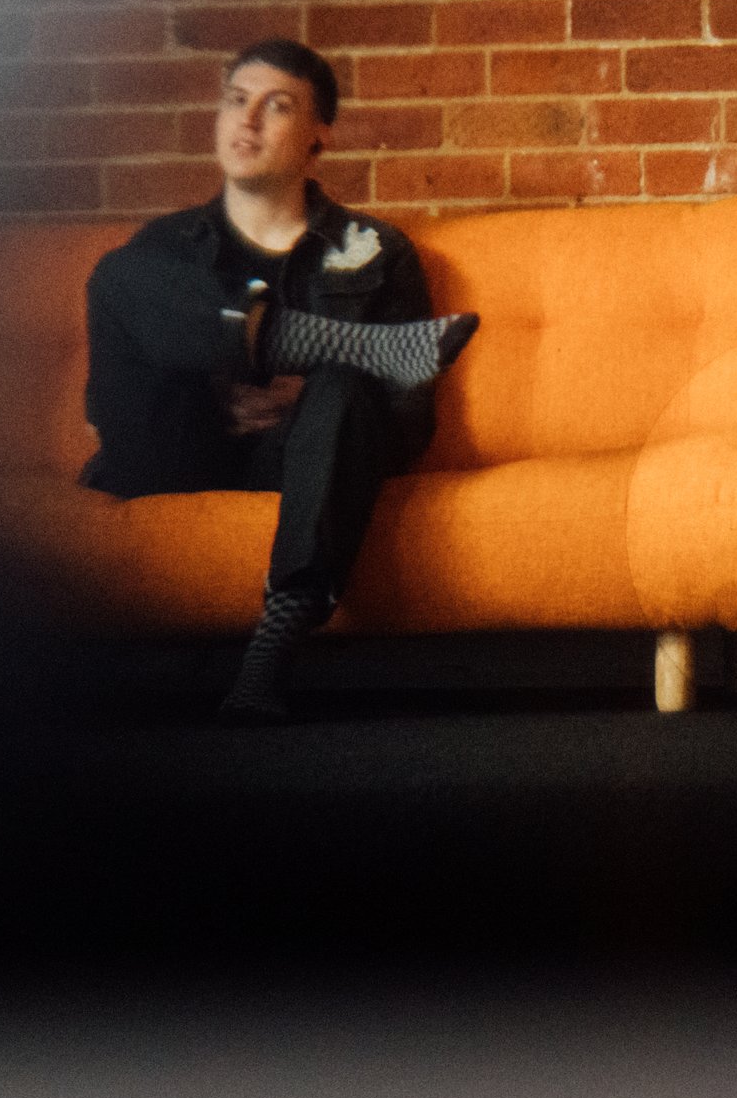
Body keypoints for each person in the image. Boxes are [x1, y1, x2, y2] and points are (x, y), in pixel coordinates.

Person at [81, 37, 477, 724]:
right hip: (175, 447)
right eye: (236, 101)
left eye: (278, 105)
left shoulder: (378, 253)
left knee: (347, 387)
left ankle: (268, 658)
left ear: (319, 136)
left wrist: (317, 392)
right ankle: (349, 346)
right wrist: (216, 389)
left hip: (306, 462)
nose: (249, 121)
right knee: (115, 274)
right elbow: (113, 404)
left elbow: (408, 426)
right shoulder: (162, 249)